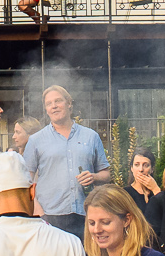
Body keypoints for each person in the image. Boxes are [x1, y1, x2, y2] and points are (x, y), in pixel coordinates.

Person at [23, 84, 109, 239]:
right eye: (49, 104)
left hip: (86, 214)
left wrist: (94, 177)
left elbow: (106, 174)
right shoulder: (36, 140)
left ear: (69, 103)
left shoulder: (91, 136)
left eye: (58, 101)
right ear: (46, 109)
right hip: (49, 215)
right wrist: (37, 210)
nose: (54, 106)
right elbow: (25, 179)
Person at [125, 149, 163, 225]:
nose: (141, 169)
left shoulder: (158, 192)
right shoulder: (125, 193)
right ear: (131, 168)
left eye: (146, 165)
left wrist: (155, 189)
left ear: (152, 169)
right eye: (137, 165)